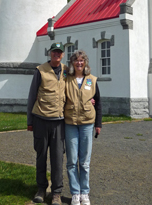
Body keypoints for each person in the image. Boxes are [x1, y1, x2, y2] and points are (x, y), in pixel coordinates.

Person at [27, 42, 68, 205]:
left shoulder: (67, 71)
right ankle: (42, 189)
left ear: (62, 54)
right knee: (41, 156)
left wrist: (90, 99)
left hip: (59, 122)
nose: (56, 54)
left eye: (59, 52)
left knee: (58, 159)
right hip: (41, 120)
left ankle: (56, 193)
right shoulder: (40, 70)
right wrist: (30, 120)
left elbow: (74, 90)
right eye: (53, 52)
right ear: (49, 53)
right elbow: (32, 96)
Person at [64, 50, 102, 205]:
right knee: (72, 161)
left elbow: (98, 102)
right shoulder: (67, 79)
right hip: (70, 123)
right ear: (72, 63)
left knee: (85, 161)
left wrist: (98, 124)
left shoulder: (92, 80)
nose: (79, 63)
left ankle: (84, 193)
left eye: (82, 60)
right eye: (76, 60)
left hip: (87, 123)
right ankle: (75, 193)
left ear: (85, 63)